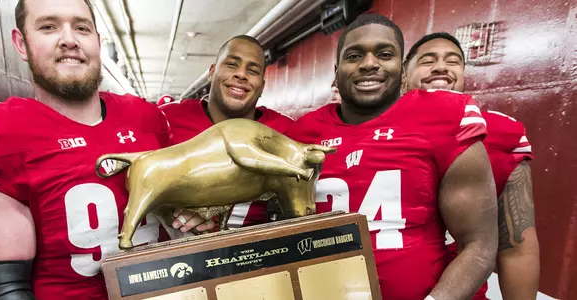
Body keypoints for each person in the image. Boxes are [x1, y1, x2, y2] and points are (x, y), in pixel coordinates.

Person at [0, 0, 174, 298]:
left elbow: (179, 218)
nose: (69, 40)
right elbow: (6, 289)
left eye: (81, 27)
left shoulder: (148, 118)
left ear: (98, 42)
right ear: (21, 43)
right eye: (48, 27)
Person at [286, 14, 498, 299]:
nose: (369, 64)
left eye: (384, 54)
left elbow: (480, 243)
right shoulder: (303, 132)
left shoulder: (443, 116)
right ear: (336, 71)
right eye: (354, 55)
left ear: (401, 68)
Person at [404, 32, 539, 300]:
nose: (441, 67)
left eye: (453, 61)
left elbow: (517, 245)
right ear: (402, 76)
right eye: (427, 60)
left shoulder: (500, 132)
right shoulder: (371, 129)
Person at [160, 35, 293, 232]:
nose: (241, 74)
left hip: (262, 254)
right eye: (232, 65)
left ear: (262, 86)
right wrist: (167, 209)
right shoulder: (166, 120)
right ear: (212, 72)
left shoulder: (286, 131)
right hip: (184, 256)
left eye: (252, 70)